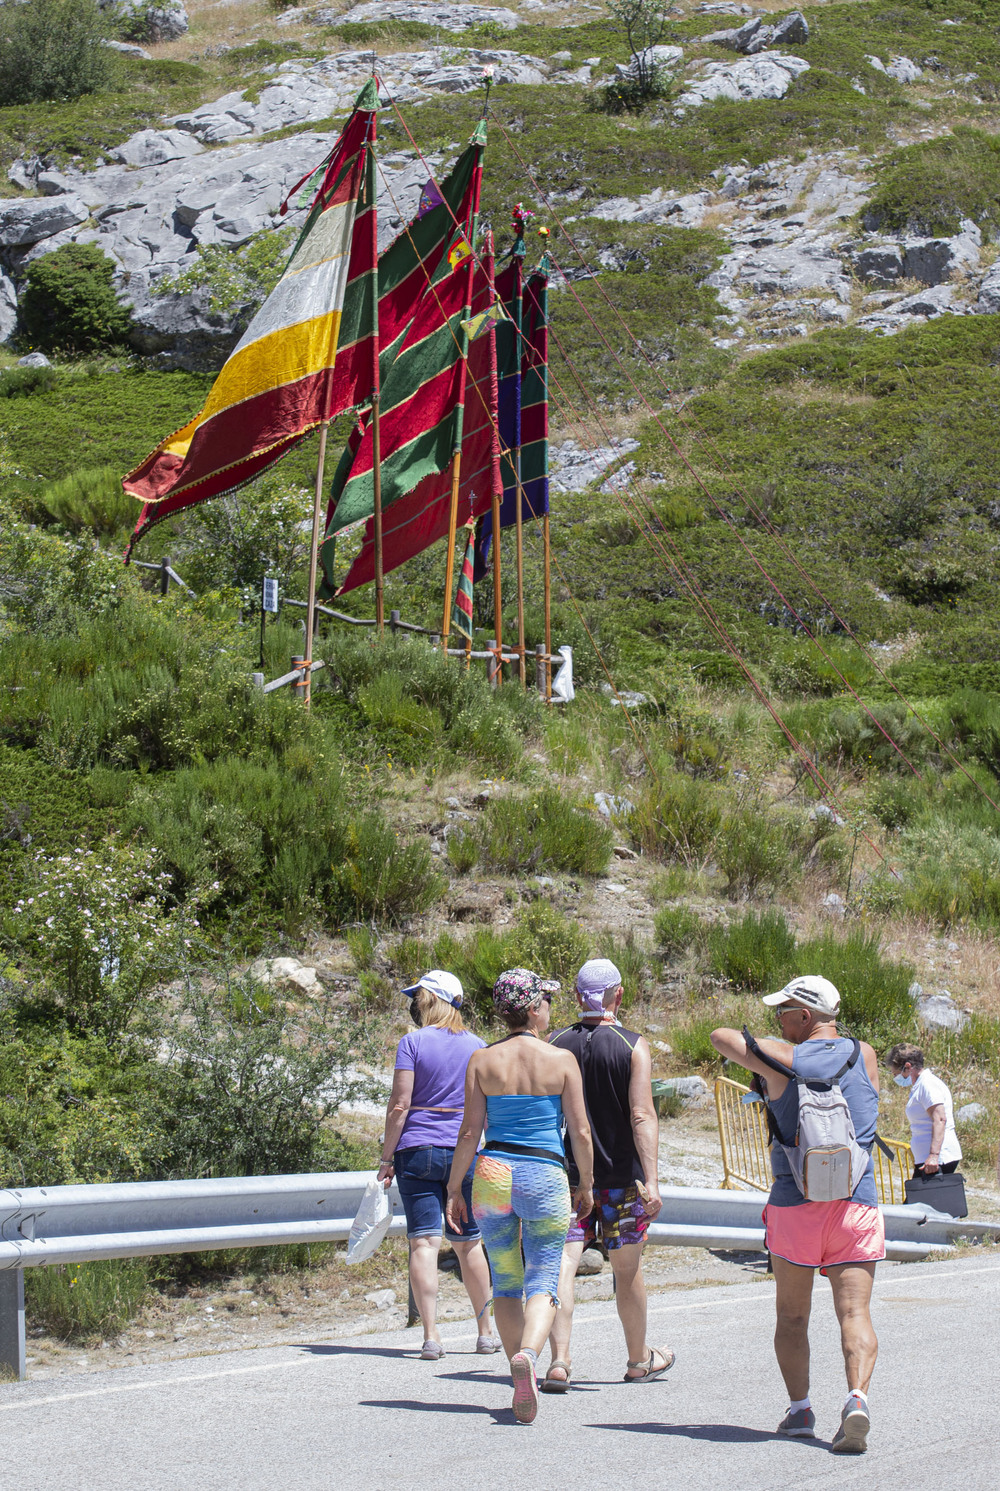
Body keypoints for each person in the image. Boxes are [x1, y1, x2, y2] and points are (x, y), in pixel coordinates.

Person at [711, 975, 883, 1455]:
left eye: (783, 1012)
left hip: (795, 1207)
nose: (777, 1021)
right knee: (854, 1312)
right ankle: (857, 1399)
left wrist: (764, 1048)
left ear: (804, 1017)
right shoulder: (864, 1054)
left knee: (792, 1317)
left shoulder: (782, 1061)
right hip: (856, 1203)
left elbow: (721, 1038)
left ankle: (801, 1410)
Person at [445, 968, 594, 1425]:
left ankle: (518, 1381)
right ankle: (530, 1353)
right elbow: (581, 1131)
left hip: (492, 1172)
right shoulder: (561, 1059)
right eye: (545, 1001)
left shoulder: (481, 1060)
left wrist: (454, 1187)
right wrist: (585, 1183)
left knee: (506, 1278)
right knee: (545, 1276)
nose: (549, 1008)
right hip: (543, 1173)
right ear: (532, 1009)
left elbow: (471, 1131)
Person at [542, 957, 673, 1393]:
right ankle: (638, 1359)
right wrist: (651, 1180)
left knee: (562, 1263)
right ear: (620, 994)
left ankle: (559, 1360)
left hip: (566, 1177)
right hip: (621, 1177)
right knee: (627, 1269)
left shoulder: (554, 1043)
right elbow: (641, 1115)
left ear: (577, 996)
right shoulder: (633, 1045)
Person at [377, 970, 497, 1361]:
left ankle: (431, 1336)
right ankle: (485, 1331)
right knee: (469, 1243)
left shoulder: (411, 1043)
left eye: (419, 997)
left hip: (417, 1150)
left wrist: (385, 1157)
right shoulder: (479, 1046)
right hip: (464, 1150)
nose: (414, 1004)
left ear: (431, 1000)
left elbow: (400, 1106)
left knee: (424, 1243)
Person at [887, 1043, 962, 1177]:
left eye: (896, 1073)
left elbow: (940, 1118)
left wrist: (934, 1155)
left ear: (908, 1067)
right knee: (918, 1197)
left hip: (938, 1160)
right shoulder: (920, 1085)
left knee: (918, 1198)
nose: (895, 1077)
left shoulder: (927, 1085)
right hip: (926, 1159)